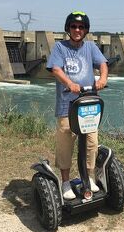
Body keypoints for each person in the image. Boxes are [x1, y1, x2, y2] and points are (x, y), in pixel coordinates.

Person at [46, 11, 108, 199]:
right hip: (67, 105)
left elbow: (103, 64)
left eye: (81, 27)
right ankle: (65, 182)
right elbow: (55, 69)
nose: (77, 30)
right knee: (66, 142)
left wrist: (103, 78)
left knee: (91, 143)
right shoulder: (60, 47)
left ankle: (88, 178)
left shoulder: (90, 47)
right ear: (68, 29)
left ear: (86, 30)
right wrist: (69, 83)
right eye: (74, 26)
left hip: (88, 104)